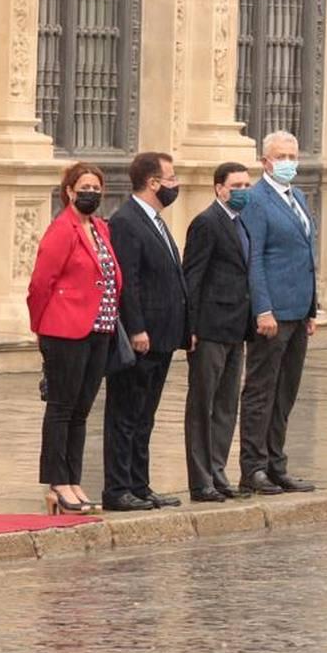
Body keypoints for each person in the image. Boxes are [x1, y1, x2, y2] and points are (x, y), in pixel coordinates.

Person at [27, 162, 117, 515]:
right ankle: (56, 482)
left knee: (82, 410)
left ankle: (73, 480)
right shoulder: (61, 229)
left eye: (96, 187)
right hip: (65, 330)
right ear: (69, 191)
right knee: (62, 407)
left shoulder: (99, 228)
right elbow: (39, 284)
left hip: (99, 329)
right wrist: (41, 327)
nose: (91, 192)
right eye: (84, 187)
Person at [102, 152, 187, 511]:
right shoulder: (126, 220)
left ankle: (140, 483)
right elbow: (128, 282)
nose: (174, 184)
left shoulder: (155, 220)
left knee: (145, 416)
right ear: (153, 183)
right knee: (125, 414)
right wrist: (136, 327)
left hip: (164, 335)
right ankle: (118, 487)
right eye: (170, 178)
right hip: (142, 337)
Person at [239, 131, 318, 496]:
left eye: (292, 155)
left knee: (286, 392)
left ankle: (276, 462)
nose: (288, 161)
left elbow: (306, 254)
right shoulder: (256, 200)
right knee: (261, 390)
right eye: (281, 156)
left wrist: (312, 307)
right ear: (265, 161)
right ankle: (253, 466)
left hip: (299, 310)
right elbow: (255, 258)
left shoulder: (298, 196)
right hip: (273, 312)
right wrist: (263, 309)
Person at [182, 162, 254, 503]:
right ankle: (201, 479)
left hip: (236, 327)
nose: (242, 190)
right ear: (219, 188)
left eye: (246, 184)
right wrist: (191, 327)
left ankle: (218, 470)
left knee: (226, 405)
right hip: (209, 327)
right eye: (235, 185)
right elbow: (193, 277)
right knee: (203, 404)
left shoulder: (242, 223)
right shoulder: (207, 223)